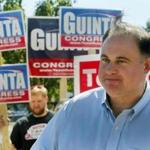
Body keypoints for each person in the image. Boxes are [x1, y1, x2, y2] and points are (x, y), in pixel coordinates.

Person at [31, 22, 150, 150]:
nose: (109, 70)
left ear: (147, 65)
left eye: (121, 61)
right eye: (105, 59)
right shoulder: (72, 111)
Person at [10, 85, 54, 150]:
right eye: (33, 101)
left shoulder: (55, 120)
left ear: (46, 99)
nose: (36, 105)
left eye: (39, 101)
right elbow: (12, 147)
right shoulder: (21, 124)